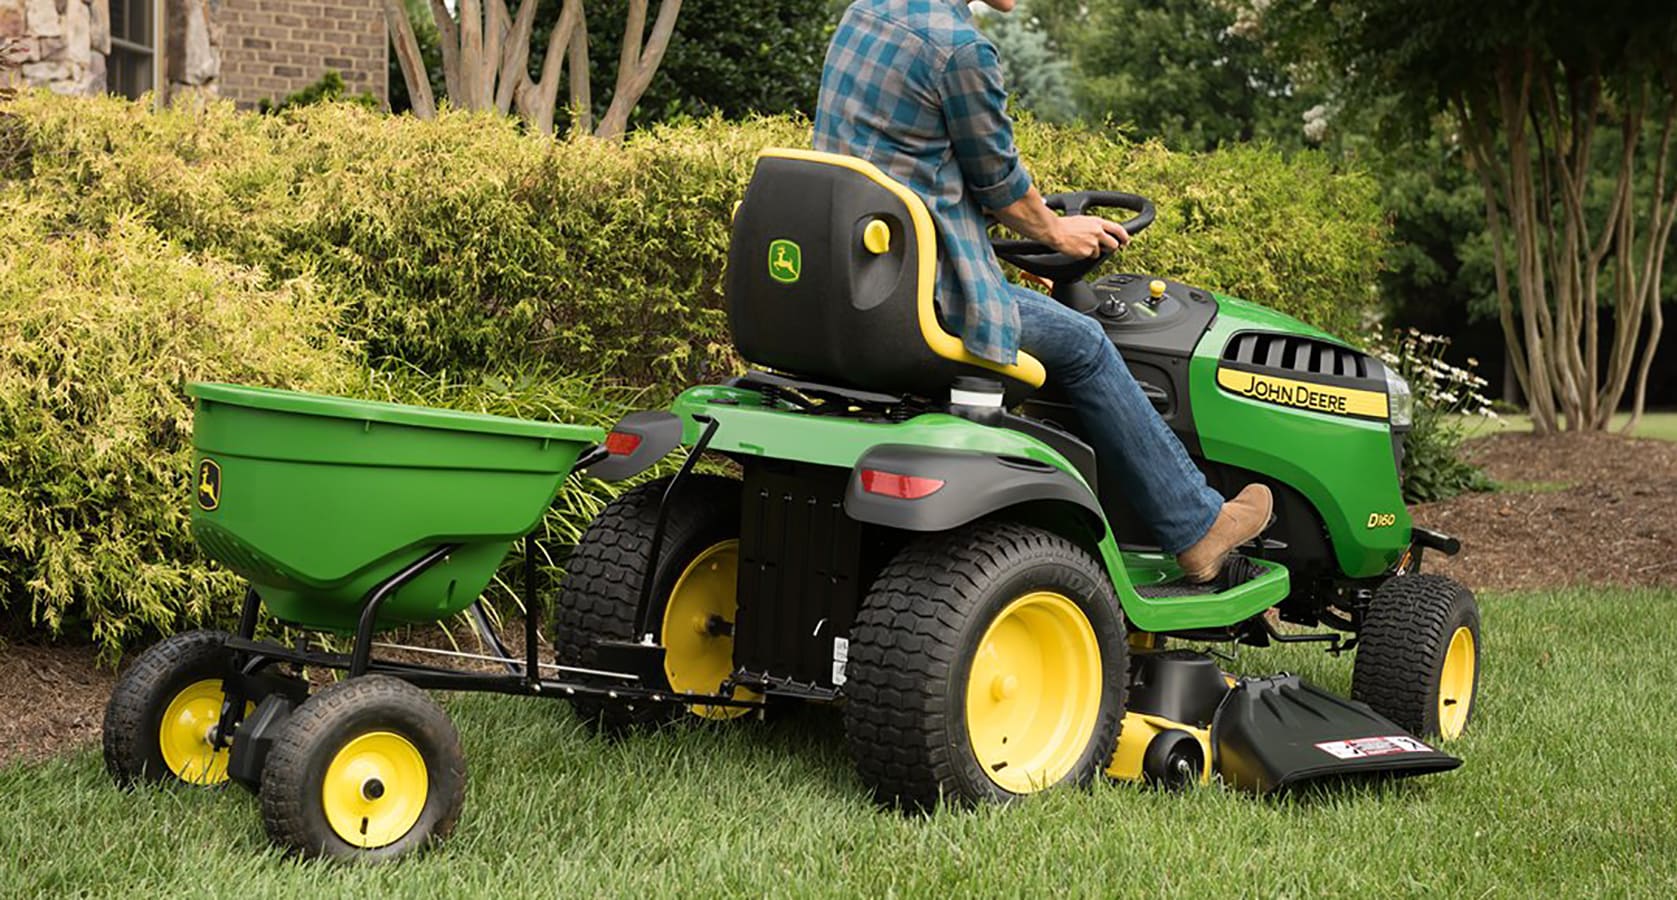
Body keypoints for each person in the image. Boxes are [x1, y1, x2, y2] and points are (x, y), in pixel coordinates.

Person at [815, 0, 1272, 582]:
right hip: (926, 299)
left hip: (858, 279)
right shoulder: (959, 48)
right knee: (1085, 343)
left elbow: (909, 171)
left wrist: (996, 255)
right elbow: (1000, 184)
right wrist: (1058, 232)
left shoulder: (867, 12)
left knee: (1044, 326)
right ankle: (1196, 527)